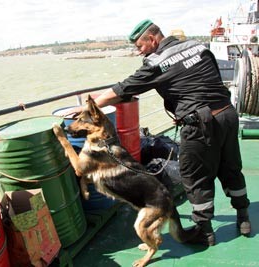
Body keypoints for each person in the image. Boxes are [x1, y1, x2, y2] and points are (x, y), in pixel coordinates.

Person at [62, 19, 251, 246]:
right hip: (228, 115)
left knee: (195, 177)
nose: (138, 52)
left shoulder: (157, 63)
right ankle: (243, 218)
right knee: (230, 167)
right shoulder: (198, 46)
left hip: (200, 124)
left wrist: (87, 107)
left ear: (152, 39)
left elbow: (122, 89)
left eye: (139, 47)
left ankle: (205, 232)